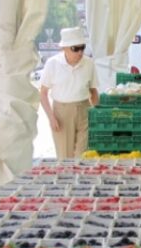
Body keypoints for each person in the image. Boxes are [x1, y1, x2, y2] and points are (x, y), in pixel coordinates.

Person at [39, 27, 99, 159]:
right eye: (75, 48)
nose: (80, 52)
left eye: (82, 47)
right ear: (64, 48)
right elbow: (43, 93)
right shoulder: (53, 64)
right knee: (65, 157)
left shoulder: (89, 64)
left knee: (81, 156)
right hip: (61, 112)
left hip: (84, 109)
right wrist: (51, 117)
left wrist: (96, 112)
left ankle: (80, 178)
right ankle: (66, 179)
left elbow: (94, 90)